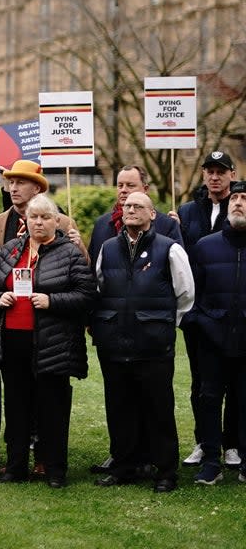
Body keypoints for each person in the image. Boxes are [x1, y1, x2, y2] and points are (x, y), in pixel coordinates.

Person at [0, 193, 96, 488]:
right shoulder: (11, 249)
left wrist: (52, 300)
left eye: (46, 217)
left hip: (52, 344)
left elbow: (87, 294)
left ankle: (55, 468)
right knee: (17, 407)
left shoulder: (69, 253)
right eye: (34, 217)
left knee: (52, 409)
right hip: (13, 342)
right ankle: (16, 465)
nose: (39, 222)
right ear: (26, 220)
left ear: (57, 221)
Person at [91, 191, 194, 492]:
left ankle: (165, 472)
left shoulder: (170, 249)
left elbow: (185, 294)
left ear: (153, 215)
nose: (131, 209)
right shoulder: (108, 248)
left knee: (159, 409)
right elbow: (100, 285)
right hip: (115, 344)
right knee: (119, 408)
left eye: (139, 206)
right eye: (127, 206)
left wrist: (161, 325)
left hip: (153, 346)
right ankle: (124, 467)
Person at [174, 150, 240, 469]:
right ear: (203, 175)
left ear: (231, 174)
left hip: (231, 309)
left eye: (221, 171)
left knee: (235, 382)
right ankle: (205, 441)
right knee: (202, 382)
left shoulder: (240, 206)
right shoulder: (187, 211)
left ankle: (232, 443)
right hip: (198, 312)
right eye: (209, 171)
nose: (215, 177)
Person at [186, 179, 246, 485]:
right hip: (212, 339)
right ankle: (211, 461)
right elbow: (190, 295)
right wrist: (202, 324)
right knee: (209, 399)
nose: (238, 202)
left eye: (245, 198)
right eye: (234, 197)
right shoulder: (205, 247)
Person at [0, 160, 87, 260]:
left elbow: (84, 268)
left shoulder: (65, 224)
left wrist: (79, 247)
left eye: (20, 183)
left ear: (37, 189)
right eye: (11, 182)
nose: (13, 189)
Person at [88, 165, 182, 260]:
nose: (123, 190)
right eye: (120, 185)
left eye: (130, 185)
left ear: (145, 189)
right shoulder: (101, 224)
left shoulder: (167, 225)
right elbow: (93, 266)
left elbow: (178, 265)